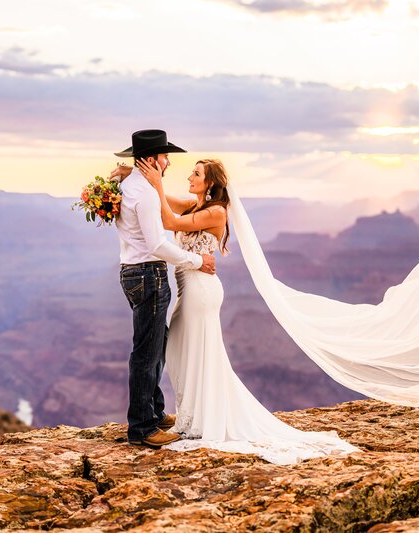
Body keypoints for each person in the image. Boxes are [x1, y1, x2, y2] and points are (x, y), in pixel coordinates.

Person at [114, 158, 359, 464]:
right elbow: (168, 204)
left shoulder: (216, 211)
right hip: (189, 290)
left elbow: (168, 222)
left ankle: (199, 420)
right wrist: (133, 175)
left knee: (192, 350)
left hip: (201, 293)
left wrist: (157, 182)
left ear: (211, 183)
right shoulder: (194, 204)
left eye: (196, 173)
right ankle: (188, 415)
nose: (189, 176)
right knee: (177, 349)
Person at [112, 129, 216, 449]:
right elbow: (158, 244)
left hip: (133, 273)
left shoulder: (129, 185)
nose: (168, 162)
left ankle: (154, 413)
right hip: (149, 275)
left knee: (155, 345)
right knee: (147, 352)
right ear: (152, 160)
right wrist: (196, 261)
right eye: (165, 156)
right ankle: (143, 427)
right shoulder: (143, 193)